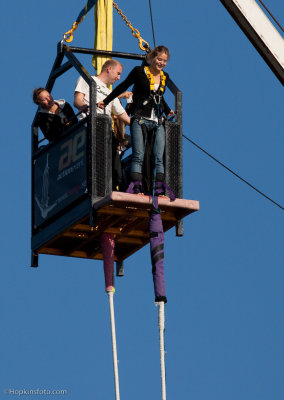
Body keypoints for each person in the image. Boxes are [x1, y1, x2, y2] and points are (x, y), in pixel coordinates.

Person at [97, 45, 175, 195]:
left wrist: (167, 111)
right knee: (138, 154)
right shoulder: (139, 72)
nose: (162, 63)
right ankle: (136, 187)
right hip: (140, 118)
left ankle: (158, 189)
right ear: (152, 58)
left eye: (164, 61)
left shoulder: (165, 77)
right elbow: (122, 86)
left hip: (157, 120)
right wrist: (106, 101)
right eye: (159, 59)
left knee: (158, 156)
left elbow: (160, 98)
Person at [74, 59, 131, 190]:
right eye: (118, 73)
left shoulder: (111, 93)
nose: (119, 77)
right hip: (91, 126)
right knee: (98, 166)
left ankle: (109, 191)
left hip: (107, 131)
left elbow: (123, 115)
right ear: (109, 69)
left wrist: (141, 123)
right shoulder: (88, 80)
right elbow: (77, 100)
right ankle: (97, 190)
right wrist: (84, 106)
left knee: (116, 172)